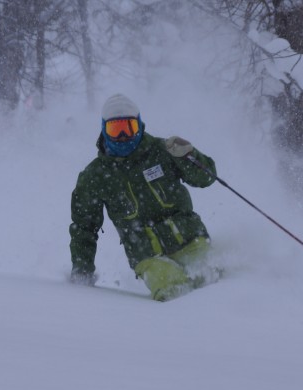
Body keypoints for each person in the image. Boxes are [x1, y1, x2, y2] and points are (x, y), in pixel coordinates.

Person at [69, 93, 219, 301]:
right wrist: (82, 270)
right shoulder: (95, 176)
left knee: (215, 284)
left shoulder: (163, 151)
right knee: (174, 292)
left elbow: (206, 178)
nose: (123, 136)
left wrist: (189, 155)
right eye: (115, 129)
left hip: (189, 238)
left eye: (128, 128)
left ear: (140, 125)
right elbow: (83, 227)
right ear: (104, 130)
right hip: (146, 253)